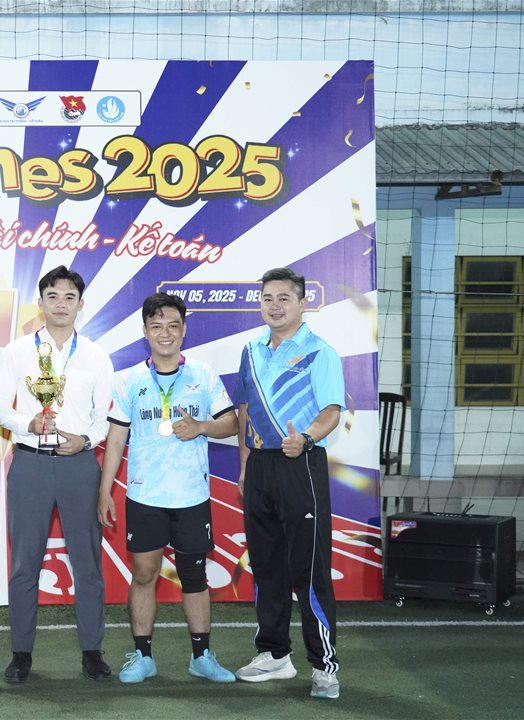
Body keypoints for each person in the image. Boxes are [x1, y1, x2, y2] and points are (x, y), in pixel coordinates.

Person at [97, 292, 238, 685]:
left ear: (184, 330)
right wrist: (105, 491)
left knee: (194, 575)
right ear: (145, 331)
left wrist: (201, 427)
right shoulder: (128, 380)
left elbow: (231, 423)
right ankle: (143, 657)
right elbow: (116, 439)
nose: (165, 333)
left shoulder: (203, 375)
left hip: (191, 494)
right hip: (145, 495)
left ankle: (201, 656)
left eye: (173, 325)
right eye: (156, 325)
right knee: (144, 573)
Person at [0, 265, 115, 683]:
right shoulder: (17, 351)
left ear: (81, 304)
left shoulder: (96, 356)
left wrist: (86, 440)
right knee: (24, 563)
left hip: (79, 465)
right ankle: (21, 654)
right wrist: (27, 423)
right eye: (53, 296)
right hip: (30, 463)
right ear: (40, 302)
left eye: (69, 297)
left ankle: (92, 652)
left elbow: (104, 417)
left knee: (87, 563)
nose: (61, 304)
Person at [233, 267, 345, 700]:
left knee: (309, 571)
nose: (274, 306)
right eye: (267, 298)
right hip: (260, 469)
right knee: (266, 567)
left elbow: (331, 411)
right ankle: (274, 654)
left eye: (284, 298)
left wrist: (306, 439)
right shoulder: (251, 351)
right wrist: (245, 467)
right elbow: (245, 413)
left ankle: (324, 667)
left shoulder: (320, 352)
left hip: (301, 465)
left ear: (302, 302)